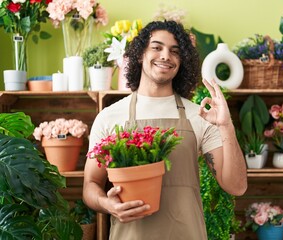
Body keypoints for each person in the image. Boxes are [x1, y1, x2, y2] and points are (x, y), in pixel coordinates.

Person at [83, 20, 247, 240]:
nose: (165, 56)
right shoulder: (110, 117)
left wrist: (226, 126)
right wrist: (107, 204)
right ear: (140, 54)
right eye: (157, 47)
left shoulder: (198, 116)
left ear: (182, 62)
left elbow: (236, 186)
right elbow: (91, 184)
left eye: (175, 51)